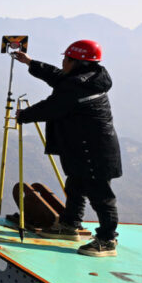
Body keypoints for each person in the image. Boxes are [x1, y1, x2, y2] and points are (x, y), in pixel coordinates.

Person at [12, 40, 122, 257]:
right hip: (84, 149)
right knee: (75, 186)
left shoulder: (76, 88)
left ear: (77, 62)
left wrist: (24, 116)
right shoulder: (87, 79)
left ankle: (107, 241)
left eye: (66, 59)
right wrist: (30, 62)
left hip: (96, 152)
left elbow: (53, 107)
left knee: (101, 196)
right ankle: (69, 225)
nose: (62, 62)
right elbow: (57, 76)